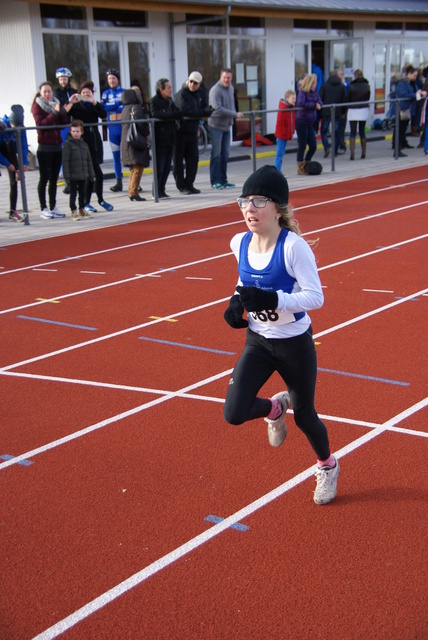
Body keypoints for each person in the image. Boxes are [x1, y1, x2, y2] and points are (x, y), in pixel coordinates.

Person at [223, 164, 339, 505]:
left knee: (305, 415)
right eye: (244, 201)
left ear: (278, 207)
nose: (249, 209)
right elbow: (244, 281)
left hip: (293, 344)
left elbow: (315, 297)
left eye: (258, 201)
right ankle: (274, 409)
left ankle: (327, 466)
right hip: (258, 341)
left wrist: (274, 298)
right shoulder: (239, 242)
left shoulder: (293, 248)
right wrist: (235, 301)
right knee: (234, 412)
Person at [31, 80, 78, 219]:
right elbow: (41, 124)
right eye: (45, 91)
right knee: (44, 178)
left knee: (53, 179)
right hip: (45, 147)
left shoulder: (55, 103)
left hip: (57, 146)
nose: (47, 94)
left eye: (49, 91)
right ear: (40, 93)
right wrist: (56, 113)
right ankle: (43, 208)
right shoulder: (37, 106)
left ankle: (53, 206)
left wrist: (64, 110)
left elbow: (63, 122)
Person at [69, 80, 113, 213]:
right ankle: (87, 202)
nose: (86, 95)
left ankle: (99, 200)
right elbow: (64, 115)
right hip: (83, 142)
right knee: (93, 174)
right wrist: (71, 102)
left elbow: (104, 115)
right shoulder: (76, 107)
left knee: (96, 174)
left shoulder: (94, 105)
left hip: (95, 141)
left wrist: (94, 102)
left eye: (88, 93)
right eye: (83, 93)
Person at [173, 71, 212, 194]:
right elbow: (187, 111)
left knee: (193, 159)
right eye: (191, 82)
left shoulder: (201, 93)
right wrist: (203, 112)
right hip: (179, 131)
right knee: (178, 160)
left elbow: (205, 107)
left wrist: (204, 111)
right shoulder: (182, 94)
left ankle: (189, 183)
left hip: (192, 131)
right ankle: (181, 185)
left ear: (199, 84)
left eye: (195, 83)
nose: (192, 85)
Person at [208, 68, 244, 189]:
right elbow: (217, 108)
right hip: (216, 126)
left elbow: (232, 105)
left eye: (229, 78)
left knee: (225, 154)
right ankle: (215, 181)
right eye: (225, 77)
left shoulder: (231, 88)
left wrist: (233, 117)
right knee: (216, 154)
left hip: (227, 126)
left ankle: (223, 180)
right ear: (220, 76)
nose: (227, 80)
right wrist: (235, 115)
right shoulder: (215, 90)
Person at [149, 77, 182, 199]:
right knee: (160, 167)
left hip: (170, 138)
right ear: (161, 89)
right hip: (160, 139)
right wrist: (172, 115)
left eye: (171, 87)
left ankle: (162, 189)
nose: (171, 90)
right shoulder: (154, 101)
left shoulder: (170, 101)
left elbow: (178, 112)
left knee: (167, 166)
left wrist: (175, 115)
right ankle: (156, 191)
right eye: (168, 88)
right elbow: (156, 114)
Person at [121, 87, 150, 202]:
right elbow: (141, 124)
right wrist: (147, 134)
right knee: (138, 167)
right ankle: (134, 192)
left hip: (127, 141)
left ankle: (131, 191)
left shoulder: (125, 109)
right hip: (135, 141)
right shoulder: (136, 108)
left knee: (133, 168)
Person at [62, 120, 95, 221]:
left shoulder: (84, 145)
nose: (76, 133)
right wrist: (66, 176)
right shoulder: (68, 145)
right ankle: (73, 210)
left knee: (82, 193)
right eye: (74, 131)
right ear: (70, 132)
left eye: (78, 131)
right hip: (72, 175)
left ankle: (82, 209)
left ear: (82, 132)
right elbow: (65, 161)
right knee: (73, 194)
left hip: (83, 174)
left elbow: (89, 160)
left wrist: (91, 174)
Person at [0, 105, 29, 222]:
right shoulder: (3, 128)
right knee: (9, 144)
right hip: (3, 150)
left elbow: (23, 146)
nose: (16, 129)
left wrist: (24, 163)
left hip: (11, 152)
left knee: (14, 183)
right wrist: (7, 164)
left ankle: (13, 211)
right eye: (13, 127)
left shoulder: (21, 128)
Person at [53, 67, 78, 194]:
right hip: (63, 126)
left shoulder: (74, 91)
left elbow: (77, 106)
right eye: (61, 79)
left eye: (65, 79)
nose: (63, 81)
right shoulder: (56, 93)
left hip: (74, 125)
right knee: (64, 153)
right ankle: (67, 180)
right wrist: (70, 102)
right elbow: (62, 108)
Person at [393, 65, 426, 157]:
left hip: (407, 108)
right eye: (414, 75)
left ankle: (399, 148)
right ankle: (397, 150)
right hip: (402, 108)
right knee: (400, 129)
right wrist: (415, 94)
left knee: (402, 129)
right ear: (409, 74)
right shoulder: (403, 83)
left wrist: (418, 93)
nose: (415, 78)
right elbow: (403, 94)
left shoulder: (410, 82)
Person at [101, 68, 124, 192]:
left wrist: (113, 106)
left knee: (127, 156)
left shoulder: (124, 92)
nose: (111, 80)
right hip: (112, 129)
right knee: (116, 157)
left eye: (113, 78)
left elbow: (124, 108)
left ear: (117, 79)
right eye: (109, 78)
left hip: (123, 127)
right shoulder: (105, 94)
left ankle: (135, 182)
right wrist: (116, 104)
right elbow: (104, 108)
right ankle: (118, 182)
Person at [295, 73, 322, 175]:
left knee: (313, 145)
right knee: (302, 144)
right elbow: (301, 103)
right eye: (314, 82)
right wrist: (314, 105)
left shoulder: (315, 92)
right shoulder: (302, 92)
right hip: (302, 121)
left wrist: (319, 104)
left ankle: (306, 162)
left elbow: (320, 100)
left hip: (310, 121)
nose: (315, 84)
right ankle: (300, 165)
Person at [319, 70, 346, 158]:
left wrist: (320, 111)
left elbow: (320, 98)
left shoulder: (325, 85)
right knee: (336, 132)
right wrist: (343, 112)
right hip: (337, 112)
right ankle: (334, 151)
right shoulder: (341, 86)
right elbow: (344, 100)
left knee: (323, 131)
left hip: (326, 111)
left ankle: (327, 147)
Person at [346, 70, 371, 160]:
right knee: (362, 131)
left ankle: (352, 154)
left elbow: (348, 98)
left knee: (353, 132)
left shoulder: (352, 86)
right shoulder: (367, 85)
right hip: (363, 109)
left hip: (353, 109)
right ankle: (363, 152)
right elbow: (368, 97)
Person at [274, 90, 296, 172]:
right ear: (287, 98)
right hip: (282, 134)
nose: (294, 100)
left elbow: (292, 121)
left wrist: (291, 131)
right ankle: (276, 171)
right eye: (292, 98)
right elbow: (280, 123)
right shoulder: (283, 109)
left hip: (285, 134)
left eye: (295, 98)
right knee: (279, 154)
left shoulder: (291, 108)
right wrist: (284, 133)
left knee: (281, 153)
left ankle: (277, 171)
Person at [337, 68, 350, 153]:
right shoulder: (336, 84)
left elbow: (348, 95)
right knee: (338, 128)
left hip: (343, 108)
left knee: (341, 127)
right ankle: (340, 144)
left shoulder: (347, 84)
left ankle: (342, 145)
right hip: (337, 108)